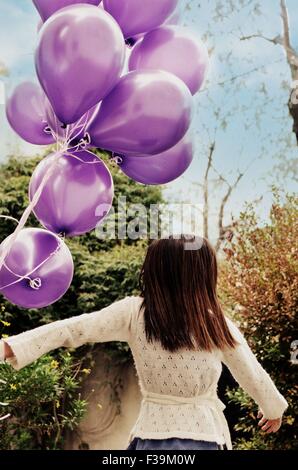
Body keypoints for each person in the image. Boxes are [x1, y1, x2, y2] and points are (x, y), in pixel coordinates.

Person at [0, 235, 288, 450]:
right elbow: (253, 375)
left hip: (151, 437)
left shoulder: (135, 312)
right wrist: (273, 410)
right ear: (204, 275)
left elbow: (74, 329)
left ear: (155, 271)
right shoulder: (216, 323)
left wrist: (12, 347)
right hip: (204, 437)